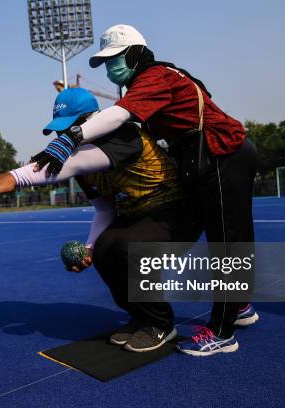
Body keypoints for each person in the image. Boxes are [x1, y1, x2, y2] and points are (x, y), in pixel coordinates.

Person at [31, 24, 259, 356]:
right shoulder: (158, 80)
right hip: (201, 158)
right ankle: (239, 308)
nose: (110, 68)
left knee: (228, 241)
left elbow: (120, 114)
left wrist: (72, 137)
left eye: (115, 58)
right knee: (225, 236)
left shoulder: (154, 76)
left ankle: (223, 332)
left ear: (137, 53)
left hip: (223, 152)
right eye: (106, 62)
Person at [0, 88, 201, 352]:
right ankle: (141, 317)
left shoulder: (124, 134)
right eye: (60, 130)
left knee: (127, 247)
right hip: (138, 216)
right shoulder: (84, 167)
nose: (64, 136)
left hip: (177, 212)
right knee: (105, 250)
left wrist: (15, 177)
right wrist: (90, 247)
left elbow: (72, 163)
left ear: (90, 120)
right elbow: (105, 210)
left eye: (69, 127)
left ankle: (160, 324)